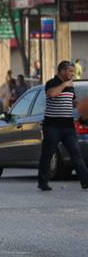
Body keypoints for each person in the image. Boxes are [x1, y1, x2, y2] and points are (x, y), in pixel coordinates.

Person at [36, 61, 88, 191]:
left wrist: (77, 103)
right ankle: (42, 182)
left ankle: (85, 181)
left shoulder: (71, 86)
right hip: (52, 126)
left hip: (68, 126)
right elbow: (51, 94)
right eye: (70, 71)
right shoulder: (52, 83)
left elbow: (72, 102)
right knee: (48, 154)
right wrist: (64, 85)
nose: (72, 74)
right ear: (62, 71)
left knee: (76, 154)